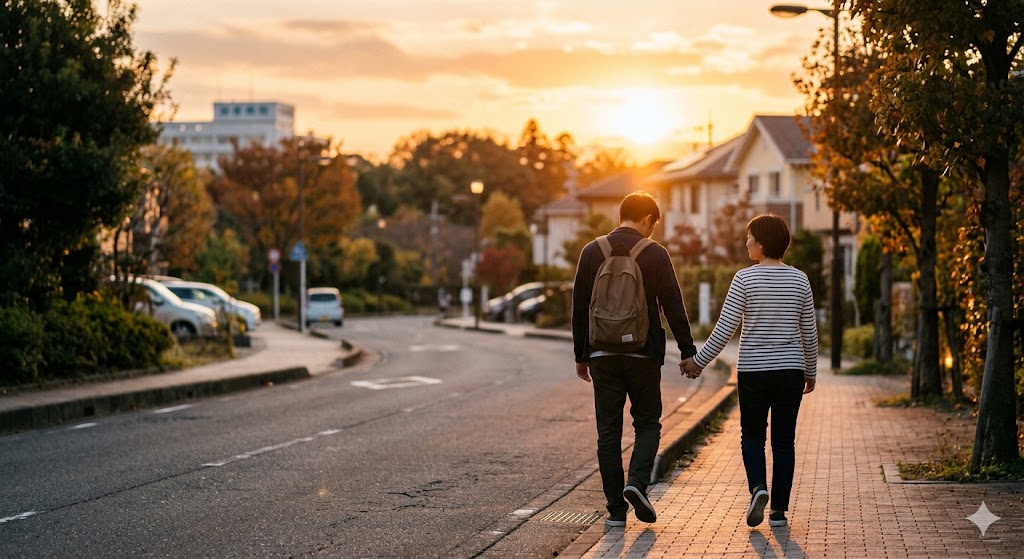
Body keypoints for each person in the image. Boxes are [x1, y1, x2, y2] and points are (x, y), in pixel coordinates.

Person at [682, 213, 817, 529]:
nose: (746, 243)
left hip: (754, 371)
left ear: (761, 242)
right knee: (784, 441)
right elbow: (809, 332)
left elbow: (725, 328)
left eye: (749, 237)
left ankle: (759, 488)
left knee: (753, 435)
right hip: (790, 371)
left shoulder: (744, 279)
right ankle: (779, 512)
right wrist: (810, 371)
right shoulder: (800, 280)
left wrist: (699, 362)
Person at [572, 190, 698, 528]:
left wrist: (581, 355)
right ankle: (636, 484)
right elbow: (673, 303)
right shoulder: (655, 253)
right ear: (647, 220)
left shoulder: (591, 251)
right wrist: (688, 351)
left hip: (602, 354)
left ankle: (615, 510)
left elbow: (580, 305)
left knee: (608, 433)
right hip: (643, 354)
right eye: (653, 224)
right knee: (647, 423)